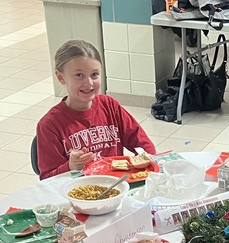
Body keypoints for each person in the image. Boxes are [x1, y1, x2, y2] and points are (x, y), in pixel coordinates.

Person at [36, 40, 156, 180]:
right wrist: (71, 166)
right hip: (80, 191)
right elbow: (47, 179)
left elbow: (143, 143)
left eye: (94, 74)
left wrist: (147, 163)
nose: (89, 83)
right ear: (61, 77)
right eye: (79, 75)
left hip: (117, 185)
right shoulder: (49, 125)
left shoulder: (109, 105)